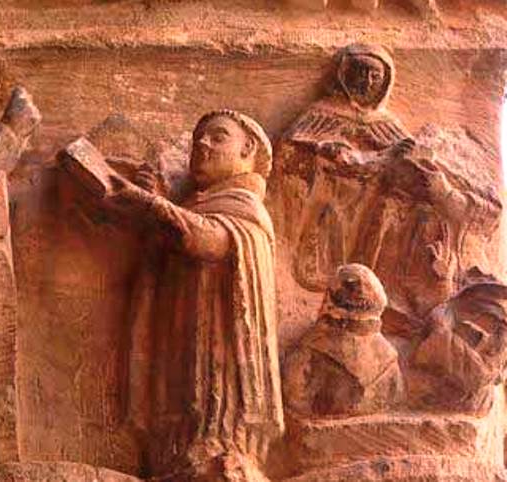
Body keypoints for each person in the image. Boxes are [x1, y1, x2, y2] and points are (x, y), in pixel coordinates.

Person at [272, 44, 500, 334]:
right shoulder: (323, 113)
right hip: (335, 200)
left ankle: (389, 291)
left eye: (375, 76)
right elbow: (296, 147)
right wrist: (351, 158)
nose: (366, 81)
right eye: (360, 72)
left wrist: (416, 164)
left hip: (374, 206)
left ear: (385, 83)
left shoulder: (384, 123)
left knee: (404, 211)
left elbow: (404, 153)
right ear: (343, 75)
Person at [110, 110, 283, 480]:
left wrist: (153, 204)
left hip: (221, 349)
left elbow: (208, 241)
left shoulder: (244, 205)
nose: (202, 144)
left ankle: (222, 453)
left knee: (210, 411)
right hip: (183, 336)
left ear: (248, 149)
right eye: (197, 140)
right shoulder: (196, 206)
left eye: (218, 137)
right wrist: (157, 203)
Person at [283, 264, 403, 418]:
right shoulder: (389, 356)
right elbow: (396, 395)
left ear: (331, 299)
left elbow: (294, 397)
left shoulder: (311, 349)